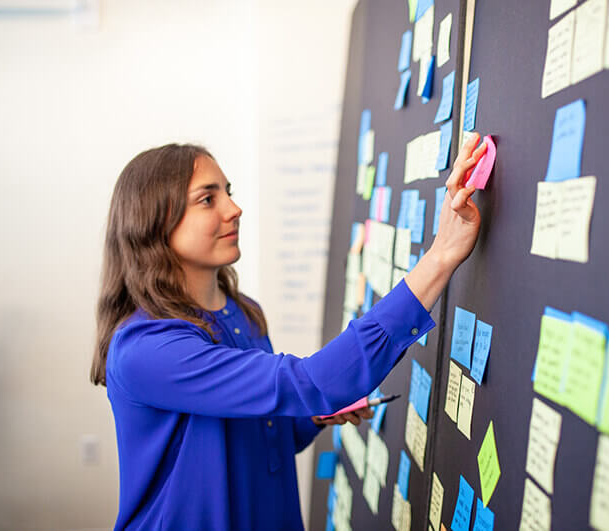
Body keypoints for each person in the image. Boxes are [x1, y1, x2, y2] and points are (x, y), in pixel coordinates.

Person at [91, 133, 488, 530]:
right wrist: (440, 258)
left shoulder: (242, 314)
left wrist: (311, 418)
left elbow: (264, 439)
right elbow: (309, 383)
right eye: (207, 199)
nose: (234, 208)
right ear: (153, 222)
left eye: (228, 192)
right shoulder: (147, 349)